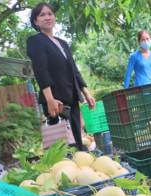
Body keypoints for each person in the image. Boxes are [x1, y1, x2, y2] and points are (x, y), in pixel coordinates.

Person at [27, 3, 95, 151]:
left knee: (77, 140)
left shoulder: (62, 43)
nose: (47, 17)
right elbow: (41, 70)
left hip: (72, 98)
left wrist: (86, 93)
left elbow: (73, 69)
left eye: (50, 13)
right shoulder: (36, 41)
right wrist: (50, 99)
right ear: (35, 22)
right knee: (64, 145)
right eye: (42, 15)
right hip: (56, 101)